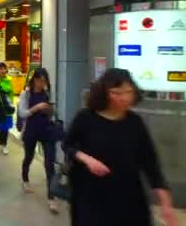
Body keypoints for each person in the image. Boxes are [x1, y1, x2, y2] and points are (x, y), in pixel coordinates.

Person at [64, 69, 177, 226]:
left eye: (128, 92)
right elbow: (68, 145)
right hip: (91, 198)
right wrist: (87, 159)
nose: (124, 98)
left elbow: (151, 163)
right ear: (104, 93)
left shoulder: (135, 123)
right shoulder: (86, 118)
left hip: (129, 201)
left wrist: (165, 203)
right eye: (116, 93)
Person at [17, 68, 58, 214]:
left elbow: (51, 114)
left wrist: (50, 110)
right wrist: (37, 107)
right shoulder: (26, 94)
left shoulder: (47, 93)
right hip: (31, 130)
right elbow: (22, 112)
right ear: (34, 79)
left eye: (44, 81)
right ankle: (25, 179)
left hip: (46, 131)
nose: (42, 83)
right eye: (40, 80)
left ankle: (51, 197)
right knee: (29, 157)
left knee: (49, 163)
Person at [0, 61, 15, 155]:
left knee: (5, 128)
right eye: (0, 68)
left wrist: (10, 104)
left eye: (4, 68)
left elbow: (11, 93)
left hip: (6, 107)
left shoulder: (9, 80)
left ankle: (4, 144)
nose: (2, 70)